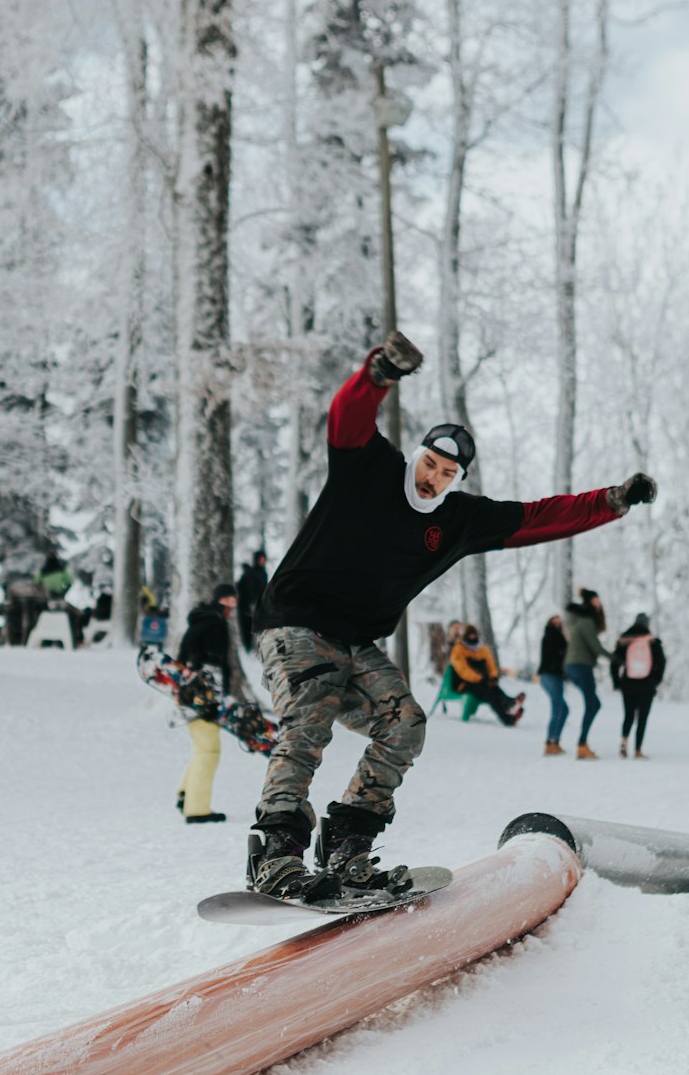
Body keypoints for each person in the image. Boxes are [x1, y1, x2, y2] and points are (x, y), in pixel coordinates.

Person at [248, 331, 657, 899]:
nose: (431, 478)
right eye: (429, 463)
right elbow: (347, 418)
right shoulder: (368, 468)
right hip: (295, 621)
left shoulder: (460, 521)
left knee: (406, 724)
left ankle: (348, 844)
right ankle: (276, 852)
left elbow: (538, 516)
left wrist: (610, 501)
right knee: (308, 719)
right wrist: (380, 373)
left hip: (355, 641)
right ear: (417, 455)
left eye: (445, 474)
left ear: (456, 481)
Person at [175, 584, 238, 824]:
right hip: (202, 697)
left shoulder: (200, 622)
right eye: (228, 602)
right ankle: (197, 808)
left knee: (202, 749)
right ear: (220, 602)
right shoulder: (215, 625)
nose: (232, 608)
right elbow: (211, 665)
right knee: (209, 752)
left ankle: (186, 794)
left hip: (189, 693)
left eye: (234, 601)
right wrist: (213, 699)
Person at [564, 588, 611, 760]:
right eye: (595, 601)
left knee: (594, 704)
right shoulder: (586, 621)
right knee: (592, 704)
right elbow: (595, 647)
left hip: (575, 665)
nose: (599, 604)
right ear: (589, 602)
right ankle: (582, 745)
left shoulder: (579, 620)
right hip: (581, 665)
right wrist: (616, 658)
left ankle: (582, 744)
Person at [611, 612, 666, 759]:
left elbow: (614, 663)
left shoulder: (625, 640)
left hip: (628, 683)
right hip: (646, 684)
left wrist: (617, 682)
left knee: (628, 715)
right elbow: (661, 663)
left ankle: (623, 742)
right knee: (642, 718)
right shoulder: (653, 641)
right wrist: (655, 681)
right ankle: (638, 750)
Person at [448, 624, 524, 726]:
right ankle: (508, 715)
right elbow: (462, 670)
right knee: (490, 694)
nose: (472, 638)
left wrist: (493, 676)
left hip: (482, 682)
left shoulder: (483, 649)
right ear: (465, 636)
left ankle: (509, 704)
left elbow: (491, 665)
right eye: (469, 636)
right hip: (464, 684)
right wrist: (478, 678)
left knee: (494, 687)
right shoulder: (458, 649)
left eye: (474, 635)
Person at [538, 613, 569, 755]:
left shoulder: (557, 636)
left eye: (559, 622)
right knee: (558, 708)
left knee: (563, 709)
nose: (558, 623)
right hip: (550, 675)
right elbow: (559, 655)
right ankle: (550, 742)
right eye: (555, 621)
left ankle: (554, 741)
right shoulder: (552, 636)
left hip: (553, 676)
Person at [236, 550, 268, 652]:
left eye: (264, 559)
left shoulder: (263, 573)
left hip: (259, 607)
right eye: (261, 559)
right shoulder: (250, 573)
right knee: (247, 631)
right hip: (247, 608)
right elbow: (243, 588)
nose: (262, 561)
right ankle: (248, 650)